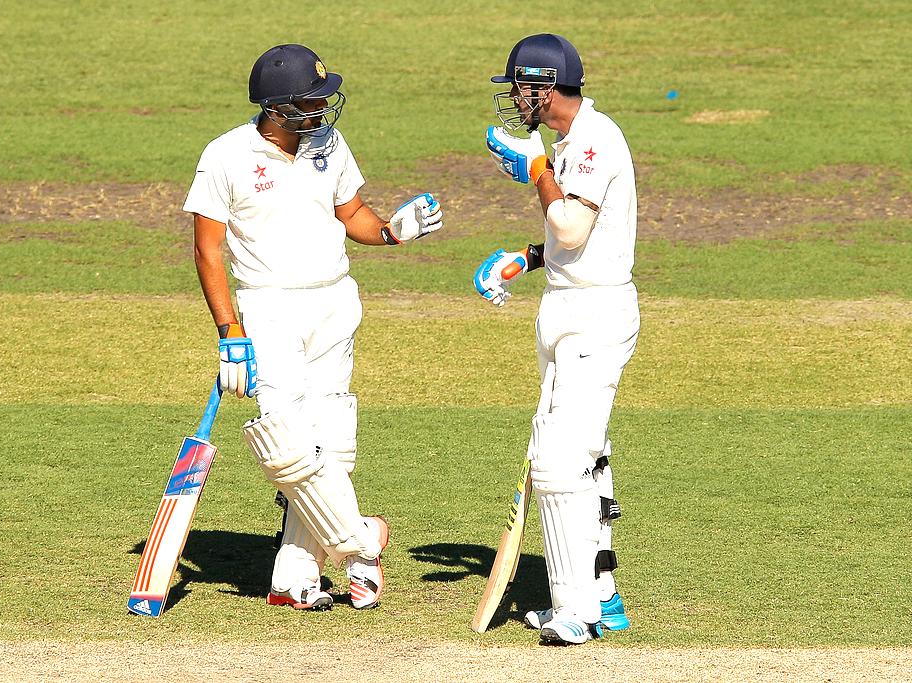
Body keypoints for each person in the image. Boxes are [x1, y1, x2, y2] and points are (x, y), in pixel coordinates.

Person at [185, 43, 443, 612]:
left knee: (331, 440)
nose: (323, 109)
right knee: (283, 440)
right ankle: (358, 543)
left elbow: (351, 214)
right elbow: (207, 251)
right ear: (277, 109)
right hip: (269, 308)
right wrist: (230, 332)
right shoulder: (226, 155)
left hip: (334, 302)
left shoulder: (328, 142)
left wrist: (393, 231)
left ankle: (293, 576)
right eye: (310, 101)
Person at [472, 33, 639, 645]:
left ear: (545, 87)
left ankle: (579, 613)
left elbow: (570, 224)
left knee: (557, 462)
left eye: (519, 86)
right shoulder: (572, 140)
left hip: (596, 314)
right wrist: (527, 257)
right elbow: (578, 235)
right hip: (566, 306)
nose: (514, 97)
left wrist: (537, 170)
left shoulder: (596, 139)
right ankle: (602, 595)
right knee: (586, 458)